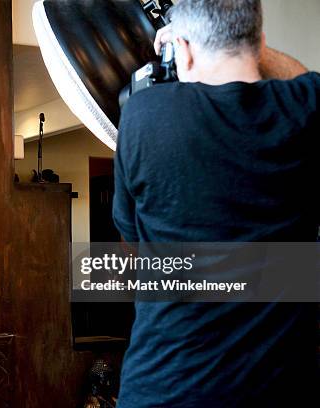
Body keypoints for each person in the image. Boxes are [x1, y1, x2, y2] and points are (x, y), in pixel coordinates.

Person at [112, 0, 319, 406]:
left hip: (164, 389)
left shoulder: (143, 115)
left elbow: (132, 249)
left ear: (182, 49)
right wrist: (252, 46)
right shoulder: (304, 109)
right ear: (260, 41)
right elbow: (306, 77)